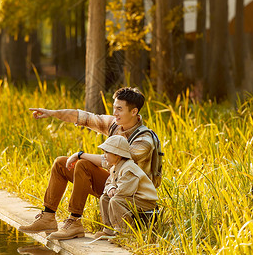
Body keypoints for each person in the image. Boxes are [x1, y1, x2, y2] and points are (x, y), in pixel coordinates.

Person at [19, 87, 156, 240]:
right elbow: (85, 117)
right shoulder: (115, 125)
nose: (115, 113)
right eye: (114, 108)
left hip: (132, 194)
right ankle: (47, 218)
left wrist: (80, 155)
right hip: (113, 184)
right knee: (60, 164)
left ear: (134, 112)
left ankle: (75, 222)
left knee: (83, 165)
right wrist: (52, 113)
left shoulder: (144, 140)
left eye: (119, 109)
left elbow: (111, 161)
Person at [96, 135, 158, 238]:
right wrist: (111, 188)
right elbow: (108, 183)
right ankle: (109, 229)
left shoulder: (129, 169)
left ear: (117, 155)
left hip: (145, 202)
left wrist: (114, 190)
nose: (104, 155)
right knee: (104, 198)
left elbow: (124, 191)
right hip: (130, 197)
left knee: (116, 201)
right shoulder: (114, 168)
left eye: (107, 152)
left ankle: (124, 232)